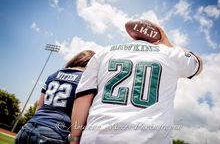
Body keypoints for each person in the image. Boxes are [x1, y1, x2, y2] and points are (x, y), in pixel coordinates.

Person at [69, 19, 203, 144]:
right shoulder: (170, 54)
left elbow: (83, 96)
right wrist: (168, 44)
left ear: (132, 36)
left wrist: (74, 138)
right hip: (149, 138)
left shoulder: (103, 53)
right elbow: (198, 64)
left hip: (98, 135)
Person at [15, 50, 95, 144]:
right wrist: (75, 139)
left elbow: (39, 106)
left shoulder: (53, 75)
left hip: (27, 128)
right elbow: (81, 113)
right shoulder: (85, 79)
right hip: (55, 133)